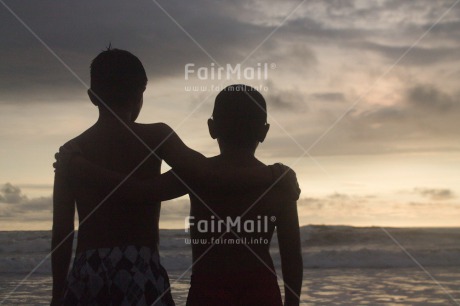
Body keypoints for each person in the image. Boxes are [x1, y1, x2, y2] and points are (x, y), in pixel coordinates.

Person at [51, 49, 299, 305]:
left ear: (92, 97)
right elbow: (209, 176)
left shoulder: (70, 154)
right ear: (140, 95)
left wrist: (57, 295)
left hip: (88, 272)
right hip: (141, 269)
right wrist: (273, 174)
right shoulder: (156, 137)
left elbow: (62, 234)